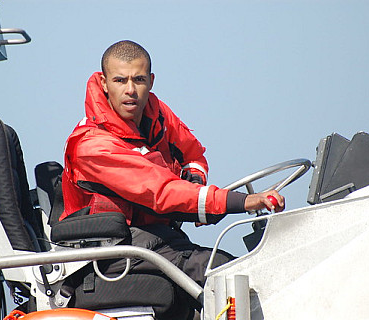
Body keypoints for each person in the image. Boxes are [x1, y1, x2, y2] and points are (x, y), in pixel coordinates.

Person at [61, 40, 285, 317]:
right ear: (104, 83)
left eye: (139, 80)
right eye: (120, 80)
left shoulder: (156, 114)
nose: (130, 90)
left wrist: (194, 183)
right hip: (116, 250)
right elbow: (161, 192)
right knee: (227, 275)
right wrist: (244, 201)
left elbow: (193, 154)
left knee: (246, 268)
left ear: (151, 81)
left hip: (159, 239)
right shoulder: (92, 145)